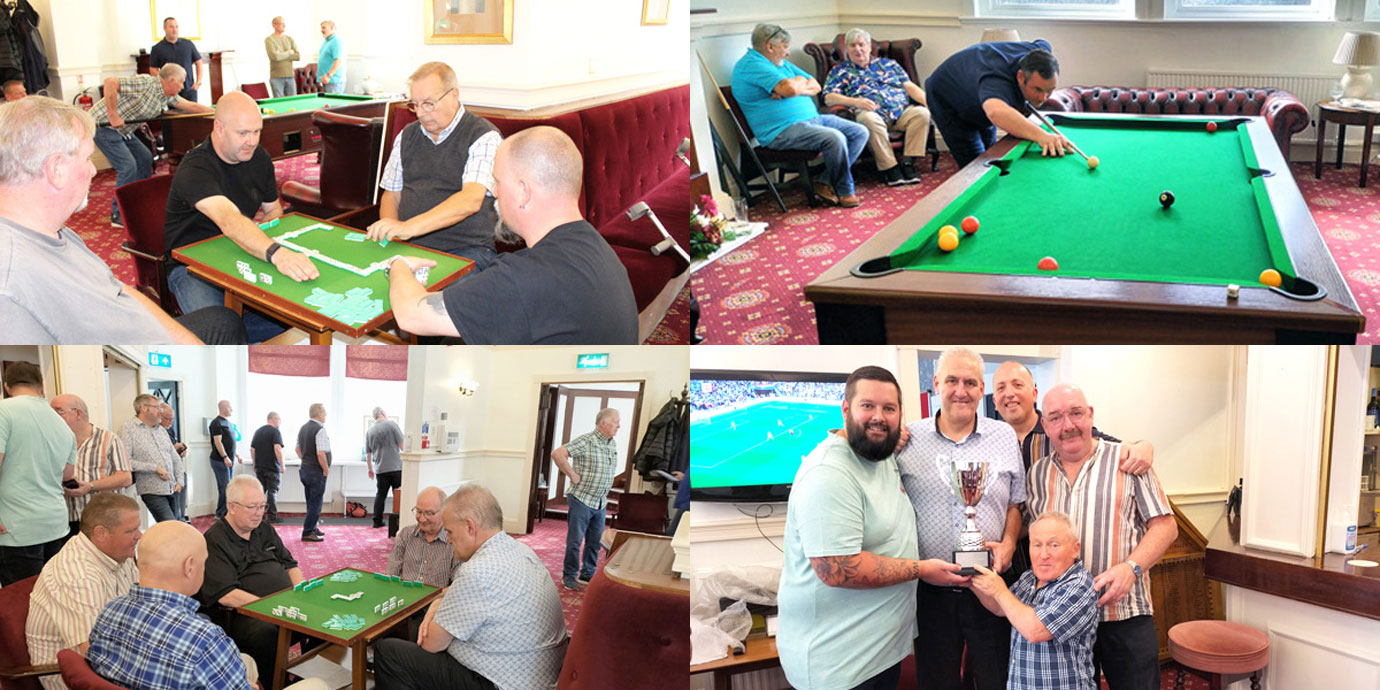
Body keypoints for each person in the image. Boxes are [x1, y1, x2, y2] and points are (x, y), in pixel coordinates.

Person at [777, 365, 964, 690]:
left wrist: (897, 435)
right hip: (839, 666)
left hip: (876, 653)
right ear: (846, 409)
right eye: (868, 406)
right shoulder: (828, 473)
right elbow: (837, 568)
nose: (879, 416)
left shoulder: (879, 456)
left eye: (888, 408)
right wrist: (921, 569)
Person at [0, 96, 244, 344]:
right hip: (137, 362)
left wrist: (188, 344)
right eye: (87, 158)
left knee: (224, 321)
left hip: (147, 340)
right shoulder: (10, 285)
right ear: (56, 170)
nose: (94, 171)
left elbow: (117, 287)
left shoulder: (56, 230)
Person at [387, 126, 638, 344]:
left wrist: (399, 264)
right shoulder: (596, 246)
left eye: (497, 182)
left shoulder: (523, 278)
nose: (494, 192)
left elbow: (411, 315)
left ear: (523, 192)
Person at [1025, 384, 1178, 690]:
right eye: (1055, 417)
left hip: (1123, 613)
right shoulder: (1037, 474)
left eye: (1076, 413)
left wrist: (1131, 568)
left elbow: (1166, 527)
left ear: (1090, 415)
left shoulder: (1129, 460)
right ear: (1045, 425)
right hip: (1063, 621)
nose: (1068, 425)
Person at [895, 347, 1025, 690]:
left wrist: (1010, 542)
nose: (960, 390)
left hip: (991, 586)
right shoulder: (908, 438)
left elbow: (1016, 503)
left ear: (981, 388)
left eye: (970, 382)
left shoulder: (1003, 436)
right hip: (931, 590)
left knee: (998, 679)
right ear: (937, 382)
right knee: (937, 681)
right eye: (952, 380)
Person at [372, 484, 568, 690]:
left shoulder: (477, 571)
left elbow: (430, 643)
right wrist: (440, 600)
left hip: (499, 683)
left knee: (389, 652)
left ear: (470, 526)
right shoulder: (522, 551)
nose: (448, 539)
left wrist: (437, 605)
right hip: (536, 674)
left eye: (449, 531)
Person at [89, 520, 326, 690]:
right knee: (318, 684)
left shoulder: (110, 611)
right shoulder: (205, 638)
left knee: (248, 662)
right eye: (204, 562)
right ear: (189, 567)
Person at [165, 90, 320, 342]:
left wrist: (270, 244)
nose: (252, 141)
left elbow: (272, 210)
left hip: (240, 252)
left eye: (256, 131)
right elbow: (229, 220)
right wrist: (276, 254)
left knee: (300, 313)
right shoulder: (195, 167)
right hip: (190, 266)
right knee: (222, 328)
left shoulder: (259, 158)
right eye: (243, 133)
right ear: (219, 128)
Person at [991, 360, 1154, 576]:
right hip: (1015, 568)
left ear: (1034, 393)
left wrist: (1144, 446)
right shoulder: (992, 441)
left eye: (1017, 385)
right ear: (994, 401)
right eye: (1001, 388)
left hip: (1071, 570)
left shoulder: (1065, 430)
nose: (1009, 394)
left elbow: (1119, 449)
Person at [365, 61, 501, 269]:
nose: (419, 113)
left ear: (454, 96)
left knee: (425, 300)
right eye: (415, 104)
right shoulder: (407, 135)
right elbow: (392, 195)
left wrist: (408, 228)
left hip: (466, 251)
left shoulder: (483, 136)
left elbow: (470, 200)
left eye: (428, 103)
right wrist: (393, 235)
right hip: (408, 246)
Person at [731, 23, 868, 207]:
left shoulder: (781, 64)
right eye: (785, 47)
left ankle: (824, 182)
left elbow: (816, 85)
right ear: (770, 47)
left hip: (812, 121)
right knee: (834, 138)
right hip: (780, 131)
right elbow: (790, 89)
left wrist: (795, 85)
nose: (787, 52)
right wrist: (793, 86)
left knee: (860, 132)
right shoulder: (753, 65)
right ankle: (845, 191)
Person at [968, 511, 1099, 690]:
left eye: (1053, 545)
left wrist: (999, 589)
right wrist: (970, 580)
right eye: (1036, 545)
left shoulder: (1080, 585)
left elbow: (1036, 630)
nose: (1043, 554)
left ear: (1075, 549)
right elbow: (1001, 608)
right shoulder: (1030, 577)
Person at [26, 493, 142, 690]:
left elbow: (140, 605)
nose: (139, 536)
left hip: (117, 651)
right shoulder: (79, 577)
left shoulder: (118, 553)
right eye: (131, 531)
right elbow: (93, 653)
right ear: (101, 533)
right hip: (73, 677)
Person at [198, 475, 305, 682]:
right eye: (252, 507)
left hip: (280, 605)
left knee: (318, 617)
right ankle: (276, 682)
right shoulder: (215, 540)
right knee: (265, 634)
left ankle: (310, 674)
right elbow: (226, 595)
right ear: (232, 506)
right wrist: (272, 608)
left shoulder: (263, 529)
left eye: (262, 506)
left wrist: (301, 592)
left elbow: (290, 564)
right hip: (243, 614)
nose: (259, 513)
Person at [93, 64, 212, 228]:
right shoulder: (145, 84)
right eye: (181, 82)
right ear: (171, 80)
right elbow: (110, 82)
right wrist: (113, 114)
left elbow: (191, 106)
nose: (183, 86)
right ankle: (117, 214)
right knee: (128, 166)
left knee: (144, 157)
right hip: (103, 126)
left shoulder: (167, 95)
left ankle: (136, 202)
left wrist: (217, 113)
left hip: (124, 131)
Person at [924, 39, 1068, 169]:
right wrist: (1041, 135)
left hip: (975, 86)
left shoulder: (1039, 54)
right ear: (1020, 77)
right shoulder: (996, 81)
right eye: (1037, 89)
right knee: (976, 166)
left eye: (1049, 90)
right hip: (946, 97)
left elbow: (1043, 42)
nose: (1043, 98)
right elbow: (996, 113)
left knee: (992, 150)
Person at [823, 28, 931, 186]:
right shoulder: (840, 71)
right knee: (869, 119)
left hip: (900, 113)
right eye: (852, 45)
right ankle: (890, 168)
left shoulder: (889, 65)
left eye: (861, 44)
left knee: (922, 113)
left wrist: (931, 104)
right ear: (847, 48)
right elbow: (828, 97)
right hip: (871, 113)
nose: (858, 49)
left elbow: (910, 87)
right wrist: (856, 102)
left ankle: (908, 163)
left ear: (868, 46)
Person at [0, 362, 75, 586]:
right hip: (55, 522)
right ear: (42, 386)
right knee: (49, 597)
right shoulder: (61, 423)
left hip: (17, 526)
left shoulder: (4, 411)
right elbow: (67, 474)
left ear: (7, 386)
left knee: (19, 606)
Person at [550, 407, 621, 590]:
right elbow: (558, 454)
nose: (619, 426)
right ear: (603, 423)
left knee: (594, 542)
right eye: (615, 422)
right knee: (575, 541)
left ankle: (587, 574)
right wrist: (571, 474)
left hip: (600, 501)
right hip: (582, 499)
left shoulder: (611, 443)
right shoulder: (587, 441)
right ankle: (570, 575)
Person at [50, 394, 134, 536]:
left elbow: (125, 478)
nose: (52, 417)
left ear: (78, 413)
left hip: (104, 519)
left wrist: (90, 486)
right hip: (68, 521)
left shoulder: (109, 440)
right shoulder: (53, 442)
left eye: (58, 411)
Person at [119, 394, 184, 524]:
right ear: (144, 408)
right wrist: (155, 468)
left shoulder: (161, 430)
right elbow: (126, 461)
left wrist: (180, 480)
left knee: (176, 526)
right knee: (171, 526)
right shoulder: (127, 429)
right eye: (157, 407)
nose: (161, 411)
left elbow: (175, 457)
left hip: (173, 487)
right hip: (152, 490)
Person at [387, 487, 462, 587]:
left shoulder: (455, 541)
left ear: (444, 512)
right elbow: (391, 574)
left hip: (436, 600)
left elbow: (457, 585)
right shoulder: (405, 534)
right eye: (418, 511)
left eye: (429, 513)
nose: (422, 519)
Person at [148, 17, 206, 102]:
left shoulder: (188, 44)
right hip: (170, 92)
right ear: (165, 28)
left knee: (194, 113)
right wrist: (164, 84)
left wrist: (198, 82)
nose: (174, 30)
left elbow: (199, 62)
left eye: (176, 27)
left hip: (189, 90)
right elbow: (153, 70)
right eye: (171, 27)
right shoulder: (157, 48)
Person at [295, 403, 331, 542]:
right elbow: (321, 453)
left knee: (311, 501)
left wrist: (306, 460)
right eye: (325, 413)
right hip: (316, 471)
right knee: (316, 502)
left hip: (305, 469)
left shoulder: (303, 428)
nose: (325, 416)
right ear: (319, 414)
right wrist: (325, 469)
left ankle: (313, 527)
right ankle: (308, 532)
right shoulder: (320, 430)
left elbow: (297, 449)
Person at [366, 407, 405, 528]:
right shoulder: (392, 425)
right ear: (383, 413)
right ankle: (400, 521)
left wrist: (370, 469)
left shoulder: (370, 431)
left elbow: (368, 453)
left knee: (380, 495)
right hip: (396, 467)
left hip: (380, 469)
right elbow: (402, 445)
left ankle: (377, 521)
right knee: (398, 495)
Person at [208, 400, 242, 519]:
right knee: (225, 487)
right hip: (220, 461)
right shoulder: (216, 423)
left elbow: (230, 442)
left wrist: (237, 455)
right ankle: (221, 513)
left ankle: (223, 511)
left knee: (227, 487)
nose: (231, 409)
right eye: (230, 407)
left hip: (229, 460)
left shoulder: (228, 423)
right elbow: (218, 442)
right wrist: (225, 457)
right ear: (223, 408)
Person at [249, 412, 285, 523]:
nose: (280, 422)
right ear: (274, 419)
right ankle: (272, 517)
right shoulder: (275, 432)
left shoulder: (258, 431)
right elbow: (277, 448)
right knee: (272, 492)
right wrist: (282, 465)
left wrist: (255, 464)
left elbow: (252, 450)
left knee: (260, 492)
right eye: (279, 419)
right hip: (272, 467)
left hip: (260, 467)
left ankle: (257, 516)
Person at [158, 403, 189, 522]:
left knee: (180, 497)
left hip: (176, 471)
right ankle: (176, 521)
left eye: (172, 419)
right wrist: (172, 448)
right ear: (160, 416)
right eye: (168, 419)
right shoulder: (154, 432)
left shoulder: (170, 430)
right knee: (173, 506)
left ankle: (181, 518)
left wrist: (179, 451)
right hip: (164, 474)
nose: (171, 422)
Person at [264, 16, 300, 98]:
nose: (284, 26)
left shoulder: (289, 39)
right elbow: (274, 57)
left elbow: (297, 56)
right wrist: (289, 52)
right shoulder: (269, 39)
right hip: (276, 78)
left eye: (284, 24)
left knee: (293, 101)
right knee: (279, 102)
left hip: (290, 76)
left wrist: (281, 54)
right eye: (281, 24)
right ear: (274, 25)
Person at [317, 21, 345, 94]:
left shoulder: (336, 41)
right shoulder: (326, 41)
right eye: (321, 28)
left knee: (335, 105)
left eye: (324, 27)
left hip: (334, 81)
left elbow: (338, 61)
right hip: (326, 81)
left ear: (332, 27)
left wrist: (329, 76)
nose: (321, 30)